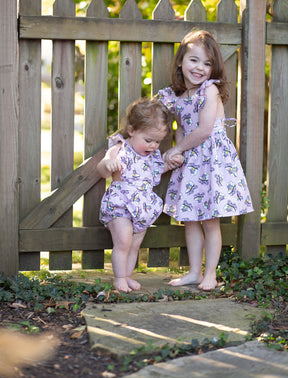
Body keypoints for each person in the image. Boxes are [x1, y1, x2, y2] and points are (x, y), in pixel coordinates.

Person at [157, 30, 254, 291]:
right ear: (181, 61)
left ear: (214, 68)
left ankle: (210, 273)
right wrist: (177, 152)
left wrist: (176, 150)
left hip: (210, 161)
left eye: (207, 63)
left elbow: (204, 130)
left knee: (210, 220)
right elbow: (180, 128)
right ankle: (193, 272)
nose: (200, 68)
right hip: (191, 162)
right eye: (194, 60)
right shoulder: (177, 96)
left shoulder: (209, 91)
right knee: (189, 219)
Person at [97, 97, 184, 293]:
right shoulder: (119, 148)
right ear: (132, 130)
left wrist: (171, 163)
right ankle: (119, 277)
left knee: (135, 245)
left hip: (143, 207)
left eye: (158, 142)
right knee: (123, 241)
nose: (153, 146)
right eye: (148, 140)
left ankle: (127, 277)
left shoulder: (152, 156)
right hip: (121, 204)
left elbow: (157, 170)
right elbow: (102, 169)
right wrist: (108, 164)